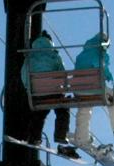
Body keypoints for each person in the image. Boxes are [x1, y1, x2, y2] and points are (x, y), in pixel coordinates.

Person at [69, 31, 114, 156]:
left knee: (85, 109)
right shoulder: (99, 54)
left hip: (78, 89)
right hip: (93, 88)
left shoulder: (83, 54)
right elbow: (101, 66)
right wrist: (107, 73)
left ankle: (81, 137)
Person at [20, 28, 74, 156]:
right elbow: (62, 73)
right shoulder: (53, 55)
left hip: (37, 93)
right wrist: (62, 88)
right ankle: (61, 134)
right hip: (53, 92)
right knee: (62, 109)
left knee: (39, 114)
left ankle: (34, 137)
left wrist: (29, 88)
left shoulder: (30, 56)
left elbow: (24, 74)